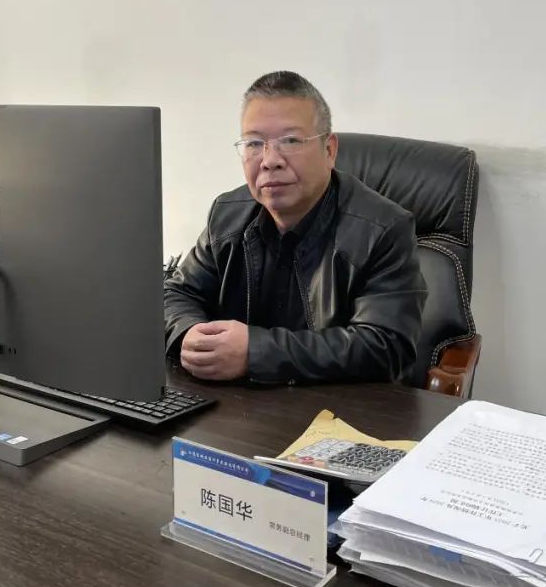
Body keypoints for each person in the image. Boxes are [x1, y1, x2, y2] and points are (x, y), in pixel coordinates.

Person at [164, 71, 427, 385]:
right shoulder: (226, 214)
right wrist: (188, 332)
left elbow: (385, 347)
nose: (269, 160)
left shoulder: (383, 229)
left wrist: (255, 353)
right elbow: (176, 293)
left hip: (338, 408)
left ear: (329, 150)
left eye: (290, 141)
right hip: (236, 405)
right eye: (254, 143)